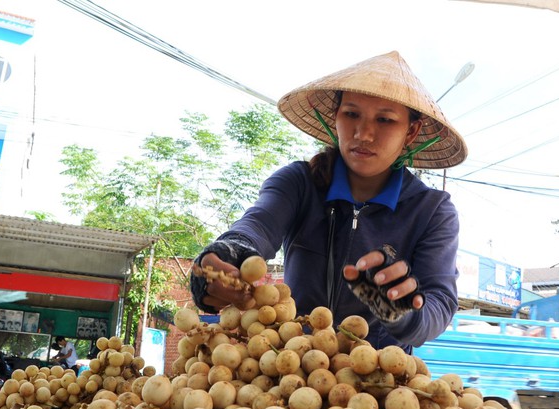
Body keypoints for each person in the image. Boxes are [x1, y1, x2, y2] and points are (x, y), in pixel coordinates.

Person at [191, 51, 467, 353]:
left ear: (411, 131)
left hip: (379, 383)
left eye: (385, 119)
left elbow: (438, 305)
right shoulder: (299, 182)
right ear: (335, 117)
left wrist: (404, 312)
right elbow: (257, 225)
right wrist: (225, 256)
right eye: (351, 114)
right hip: (290, 369)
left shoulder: (432, 211)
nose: (363, 133)